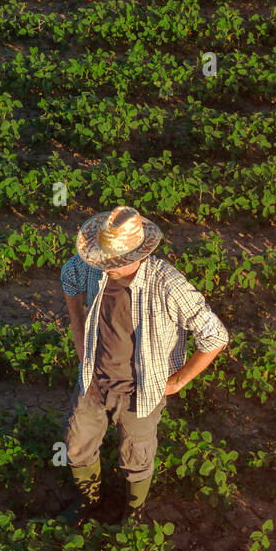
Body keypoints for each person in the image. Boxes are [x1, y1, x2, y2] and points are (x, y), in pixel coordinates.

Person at [58, 205, 229, 526]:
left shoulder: (167, 284)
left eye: (113, 261)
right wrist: (80, 339)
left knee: (136, 455)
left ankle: (133, 513)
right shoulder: (95, 267)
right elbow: (69, 277)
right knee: (76, 443)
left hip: (141, 392)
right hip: (94, 380)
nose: (105, 266)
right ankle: (88, 499)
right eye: (102, 258)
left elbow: (215, 335)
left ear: (139, 253)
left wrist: (177, 381)